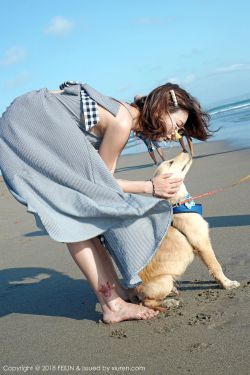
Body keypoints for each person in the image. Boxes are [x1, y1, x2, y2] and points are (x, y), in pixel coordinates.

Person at [0, 82, 210, 323]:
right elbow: (101, 185)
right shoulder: (122, 121)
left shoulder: (123, 115)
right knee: (71, 214)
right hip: (29, 121)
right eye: (178, 125)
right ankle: (112, 304)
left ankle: (117, 292)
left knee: (84, 209)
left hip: (27, 116)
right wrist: (150, 187)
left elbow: (100, 183)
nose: (175, 133)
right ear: (161, 107)